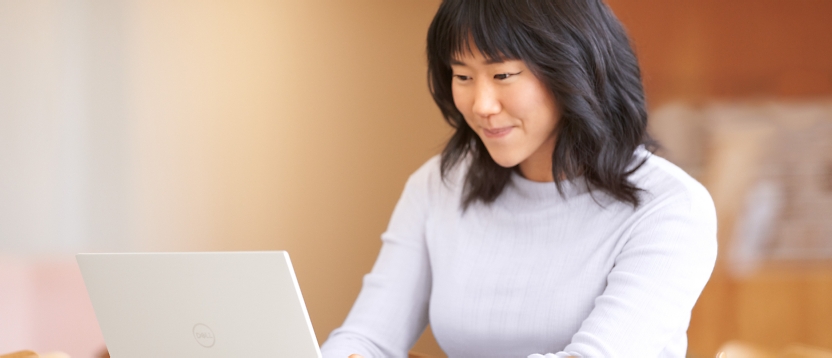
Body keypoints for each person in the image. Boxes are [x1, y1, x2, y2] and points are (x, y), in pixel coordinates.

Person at [320, 0, 717, 357]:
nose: (481, 105)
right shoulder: (438, 186)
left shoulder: (670, 207)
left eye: (504, 75)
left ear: (573, 69)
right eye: (462, 76)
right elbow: (364, 338)